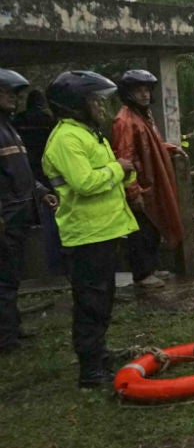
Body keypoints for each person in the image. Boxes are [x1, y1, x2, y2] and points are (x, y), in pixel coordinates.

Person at [41, 71, 138, 387]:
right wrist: (117, 168)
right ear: (74, 105)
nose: (100, 106)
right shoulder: (67, 138)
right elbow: (84, 183)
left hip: (104, 230)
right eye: (93, 100)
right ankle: (91, 368)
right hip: (86, 233)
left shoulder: (87, 133)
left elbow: (104, 175)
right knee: (91, 301)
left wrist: (124, 176)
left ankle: (98, 353)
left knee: (102, 297)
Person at [1, 69, 59, 355]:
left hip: (19, 215)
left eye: (14, 93)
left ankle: (12, 331)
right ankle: (6, 340)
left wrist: (40, 191)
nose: (12, 98)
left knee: (12, 278)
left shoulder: (10, 128)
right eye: (6, 92)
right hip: (6, 218)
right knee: (3, 281)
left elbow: (21, 171)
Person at [111, 70, 185, 288]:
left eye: (146, 90)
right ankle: (142, 274)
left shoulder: (143, 115)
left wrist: (171, 149)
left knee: (153, 228)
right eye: (138, 91)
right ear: (128, 93)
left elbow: (150, 145)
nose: (144, 95)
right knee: (141, 231)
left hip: (152, 183)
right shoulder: (124, 120)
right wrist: (133, 191)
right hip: (142, 184)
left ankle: (150, 268)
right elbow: (125, 157)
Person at [11, 88, 63, 275]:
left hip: (26, 171)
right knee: (53, 216)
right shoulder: (51, 120)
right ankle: (58, 266)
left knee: (34, 219)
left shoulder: (18, 121)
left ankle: (42, 266)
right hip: (48, 173)